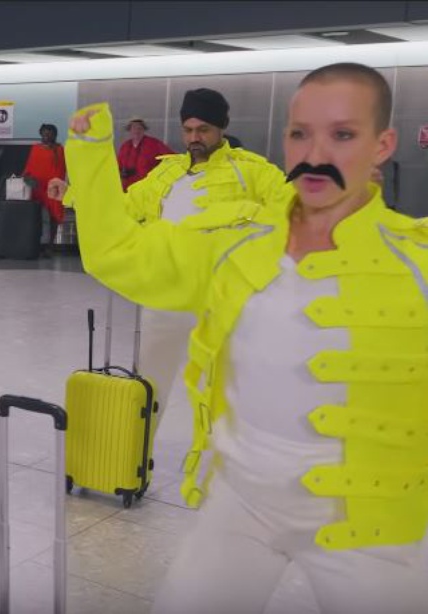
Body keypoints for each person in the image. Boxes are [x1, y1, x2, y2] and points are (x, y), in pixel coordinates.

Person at [58, 62, 428, 614]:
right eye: (301, 133)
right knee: (148, 394)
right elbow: (118, 247)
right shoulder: (232, 244)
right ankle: (131, 467)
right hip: (241, 502)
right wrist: (89, 160)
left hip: (369, 517)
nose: (316, 151)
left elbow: (273, 200)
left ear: (383, 144)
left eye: (343, 134)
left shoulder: (414, 263)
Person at [58, 88, 287, 439]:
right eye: (188, 130)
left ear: (223, 126)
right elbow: (119, 208)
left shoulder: (252, 172)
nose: (195, 138)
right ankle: (131, 463)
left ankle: (223, 474)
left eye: (204, 130)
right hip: (164, 297)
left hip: (221, 304)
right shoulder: (166, 175)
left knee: (226, 395)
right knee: (148, 389)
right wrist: (73, 194)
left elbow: (294, 206)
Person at [22, 123, 66, 257]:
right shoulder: (35, 149)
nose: (47, 136)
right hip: (38, 187)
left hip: (54, 188)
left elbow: (64, 168)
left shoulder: (60, 149)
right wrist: (28, 179)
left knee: (54, 217)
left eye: (50, 133)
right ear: (41, 134)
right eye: (44, 133)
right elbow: (27, 170)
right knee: (36, 217)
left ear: (55, 135)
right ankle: (35, 244)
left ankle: (50, 246)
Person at [117, 117, 173, 191]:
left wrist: (161, 176)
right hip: (129, 188)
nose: (136, 131)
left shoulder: (154, 144)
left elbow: (171, 157)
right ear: (130, 130)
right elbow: (117, 167)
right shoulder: (125, 146)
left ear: (144, 130)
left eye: (139, 128)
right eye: (133, 128)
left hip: (148, 188)